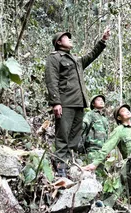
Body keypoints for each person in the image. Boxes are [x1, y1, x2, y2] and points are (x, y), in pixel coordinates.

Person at [45, 28, 111, 177]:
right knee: (63, 135)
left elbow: (92, 55)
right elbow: (51, 79)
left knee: (74, 137)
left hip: (79, 103)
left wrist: (103, 41)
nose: (70, 39)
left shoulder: (75, 60)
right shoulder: (54, 58)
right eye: (66, 37)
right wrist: (56, 102)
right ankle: (61, 167)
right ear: (58, 42)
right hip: (65, 102)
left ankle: (68, 163)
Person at [82, 104, 131, 171]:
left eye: (128, 110)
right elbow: (107, 147)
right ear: (119, 118)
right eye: (123, 111)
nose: (127, 111)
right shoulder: (119, 130)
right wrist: (94, 164)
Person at [81, 94, 109, 161]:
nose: (101, 102)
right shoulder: (90, 114)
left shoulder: (104, 118)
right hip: (92, 149)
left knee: (101, 170)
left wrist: (108, 150)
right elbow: (83, 127)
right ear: (93, 104)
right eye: (98, 100)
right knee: (92, 170)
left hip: (102, 150)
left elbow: (107, 134)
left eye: (102, 100)